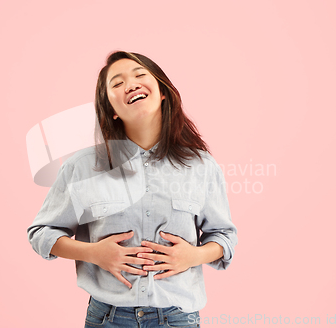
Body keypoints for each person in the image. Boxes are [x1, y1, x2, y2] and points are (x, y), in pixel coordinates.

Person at [27, 50, 238, 327]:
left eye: (140, 75)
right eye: (117, 83)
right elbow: (41, 233)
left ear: (163, 92)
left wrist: (194, 255)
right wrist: (93, 253)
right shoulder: (82, 167)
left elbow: (224, 236)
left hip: (178, 317)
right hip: (108, 317)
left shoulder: (201, 166)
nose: (131, 83)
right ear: (111, 110)